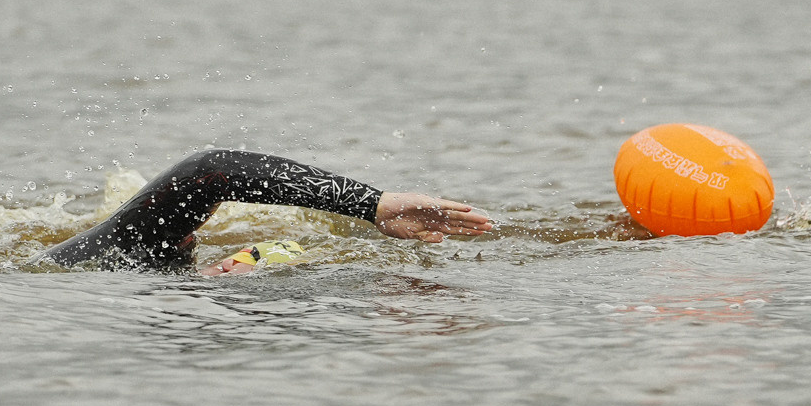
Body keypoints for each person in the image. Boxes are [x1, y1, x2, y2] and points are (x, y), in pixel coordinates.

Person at [44, 148, 493, 273]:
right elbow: (210, 170)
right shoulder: (114, 253)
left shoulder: (148, 258)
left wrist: (261, 257)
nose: (197, 226)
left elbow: (285, 245)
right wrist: (371, 204)